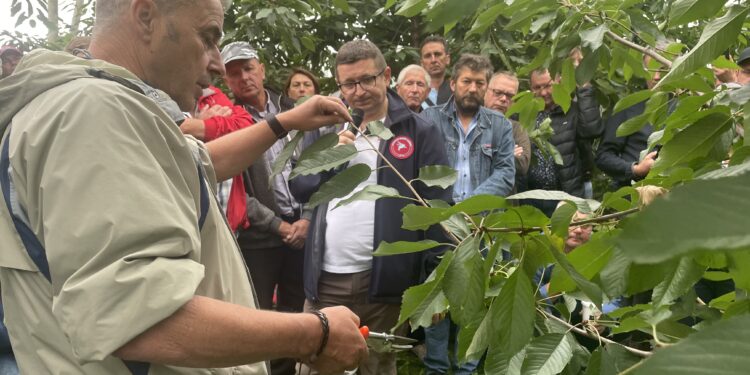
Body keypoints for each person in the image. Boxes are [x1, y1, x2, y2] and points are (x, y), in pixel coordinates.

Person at [0, 1, 368, 374]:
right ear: (146, 16)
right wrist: (315, 334)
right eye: (207, 37)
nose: (217, 64)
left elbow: (200, 163)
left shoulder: (100, 106)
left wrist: (284, 121)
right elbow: (135, 313)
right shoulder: (92, 112)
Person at [292, 39, 451, 375]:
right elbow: (300, 187)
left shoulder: (418, 131)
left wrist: (434, 285)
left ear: (386, 75)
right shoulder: (327, 127)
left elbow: (437, 210)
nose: (358, 91)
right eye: (348, 83)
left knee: (376, 366)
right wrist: (333, 157)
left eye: (367, 79)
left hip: (384, 286)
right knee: (314, 365)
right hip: (324, 282)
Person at [420, 54, 515, 374]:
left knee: (473, 304)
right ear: (453, 83)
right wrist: (446, 213)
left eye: (479, 83)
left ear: (486, 87)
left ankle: (467, 370)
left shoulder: (499, 125)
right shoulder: (429, 119)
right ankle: (435, 367)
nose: (472, 88)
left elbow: (505, 173)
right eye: (466, 81)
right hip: (438, 228)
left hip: (481, 228)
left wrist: (466, 209)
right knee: (436, 304)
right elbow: (418, 169)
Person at [221, 41, 311, 375]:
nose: (243, 77)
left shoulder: (293, 109)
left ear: (262, 69)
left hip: (303, 230)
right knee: (257, 315)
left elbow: (318, 167)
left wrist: (307, 219)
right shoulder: (229, 121)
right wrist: (279, 225)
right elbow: (235, 190)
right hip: (259, 239)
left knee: (294, 311)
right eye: (234, 73)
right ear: (227, 81)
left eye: (248, 68)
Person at [526, 68, 603, 215]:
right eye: (537, 87)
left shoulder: (572, 110)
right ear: (530, 88)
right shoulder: (526, 114)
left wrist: (584, 85)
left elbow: (593, 130)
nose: (544, 93)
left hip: (570, 194)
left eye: (548, 85)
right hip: (532, 197)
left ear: (559, 83)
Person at [180, 85, 255, 232]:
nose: (220, 70)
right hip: (192, 226)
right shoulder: (158, 98)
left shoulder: (212, 94)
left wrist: (199, 126)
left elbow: (246, 125)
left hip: (228, 224)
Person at [595, 55, 662, 191]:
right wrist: (635, 169)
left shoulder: (686, 105)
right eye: (651, 70)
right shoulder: (628, 106)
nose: (656, 76)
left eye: (663, 69)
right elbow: (604, 156)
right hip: (634, 196)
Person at [484, 71, 531, 193]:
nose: (504, 99)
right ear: (485, 91)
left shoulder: (517, 128)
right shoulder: (468, 121)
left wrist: (485, 152)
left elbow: (522, 164)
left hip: (505, 202)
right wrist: (508, 153)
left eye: (510, 96)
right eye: (498, 93)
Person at [420, 35, 452, 108]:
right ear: (422, 63)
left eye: (437, 54)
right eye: (428, 56)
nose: (433, 60)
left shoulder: (458, 91)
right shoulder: (414, 93)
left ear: (447, 59)